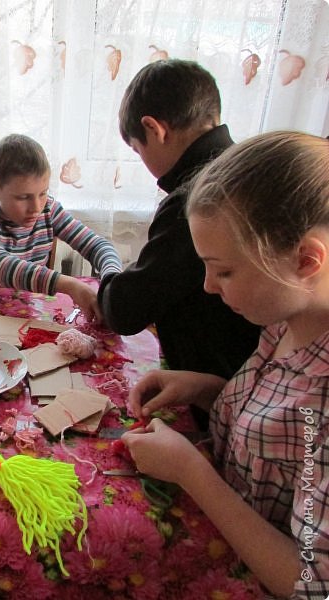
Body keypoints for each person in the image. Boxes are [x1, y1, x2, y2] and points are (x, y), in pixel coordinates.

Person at [122, 132, 329, 598]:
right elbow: (282, 434)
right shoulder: (284, 320)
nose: (210, 288)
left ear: (304, 261)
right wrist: (206, 388)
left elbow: (312, 583)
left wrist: (193, 474)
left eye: (226, 271)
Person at [97, 59, 260, 379]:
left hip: (215, 380)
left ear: (154, 130)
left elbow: (127, 310)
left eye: (137, 149)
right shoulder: (248, 166)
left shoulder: (196, 199)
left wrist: (104, 291)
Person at [0, 133, 122, 322]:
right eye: (23, 197)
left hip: (28, 314)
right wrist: (69, 284)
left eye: (43, 193)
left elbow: (98, 246)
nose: (36, 208)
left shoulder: (49, 210)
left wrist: (112, 281)